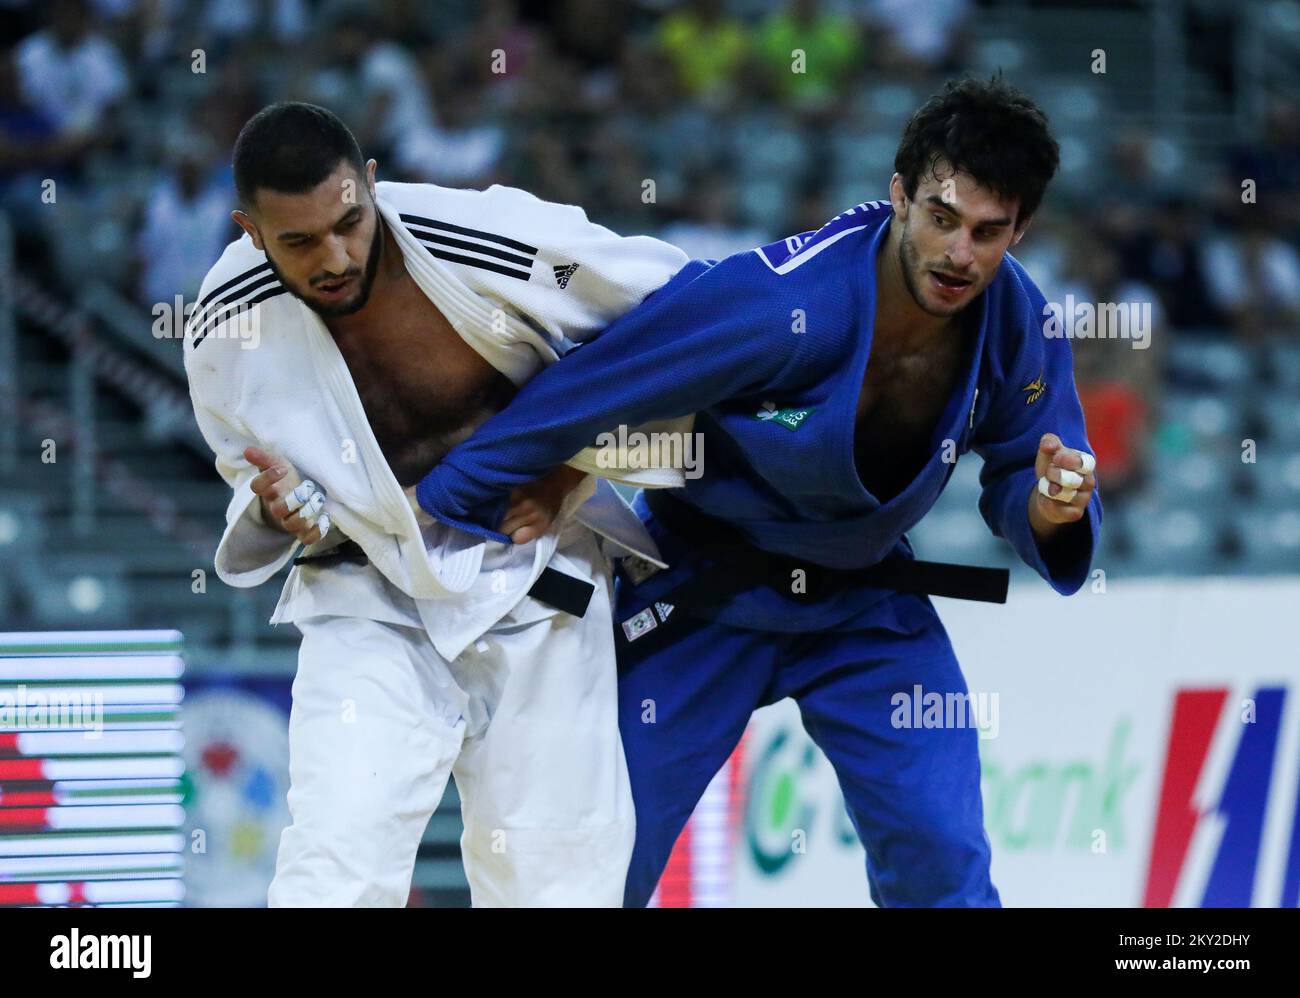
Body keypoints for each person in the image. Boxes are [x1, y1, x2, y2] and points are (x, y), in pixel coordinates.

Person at [414, 77, 1103, 907]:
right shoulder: (785, 300)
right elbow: (601, 382)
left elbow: (1029, 468)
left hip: (864, 602)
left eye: (989, 233)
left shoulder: (1020, 320)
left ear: (1020, 229)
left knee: (943, 857)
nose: (960, 254)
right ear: (898, 195)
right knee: (598, 863)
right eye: (941, 218)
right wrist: (446, 495)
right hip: (701, 592)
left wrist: (1051, 507)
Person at [183, 102, 694, 906]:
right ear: (249, 230)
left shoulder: (487, 237)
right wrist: (277, 508)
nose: (337, 255)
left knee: (558, 885)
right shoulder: (223, 323)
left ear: (372, 185)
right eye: (300, 242)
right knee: (332, 868)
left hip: (536, 577)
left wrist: (581, 465)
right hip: (365, 592)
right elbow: (250, 472)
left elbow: (689, 315)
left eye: (350, 221)